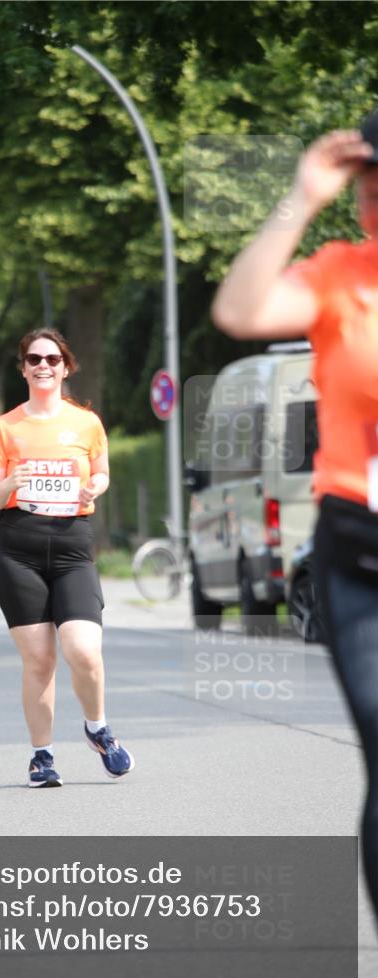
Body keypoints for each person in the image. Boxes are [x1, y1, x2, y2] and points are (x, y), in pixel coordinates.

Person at [212, 111, 378, 917]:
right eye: (369, 189)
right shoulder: (339, 274)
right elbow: (240, 313)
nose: (376, 203)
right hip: (361, 551)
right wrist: (300, 200)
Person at [0, 328, 134, 788]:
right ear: (23, 368)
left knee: (84, 651)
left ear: (66, 366)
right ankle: (41, 757)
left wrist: (95, 487)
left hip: (71, 546)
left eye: (51, 358)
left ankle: (97, 726)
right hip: (19, 548)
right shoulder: (4, 427)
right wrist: (11, 482)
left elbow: (102, 472)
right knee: (41, 660)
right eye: (33, 359)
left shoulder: (87, 423)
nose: (42, 365)